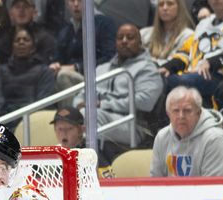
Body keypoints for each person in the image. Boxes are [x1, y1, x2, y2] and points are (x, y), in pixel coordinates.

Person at [74, 23, 164, 157]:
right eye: (120, 37)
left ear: (140, 42)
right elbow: (81, 94)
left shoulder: (148, 69)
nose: (124, 41)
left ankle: (92, 165)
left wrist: (104, 104)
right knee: (69, 118)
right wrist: (77, 104)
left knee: (91, 115)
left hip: (133, 124)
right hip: (98, 115)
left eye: (130, 37)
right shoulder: (101, 69)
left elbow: (146, 101)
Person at [160, 0, 223, 99]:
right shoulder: (203, 24)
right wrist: (170, 66)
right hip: (193, 73)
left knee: (171, 82)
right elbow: (186, 51)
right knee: (159, 77)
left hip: (221, 76)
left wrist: (211, 63)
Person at [150, 86, 223, 177]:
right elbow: (155, 183)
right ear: (168, 114)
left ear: (199, 112)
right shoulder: (162, 137)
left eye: (187, 110)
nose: (181, 116)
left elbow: (213, 187)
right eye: (176, 111)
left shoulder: (215, 139)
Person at [50, 0, 117, 97]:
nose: (76, 4)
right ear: (67, 4)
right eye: (72, 0)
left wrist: (77, 67)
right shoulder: (66, 29)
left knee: (64, 76)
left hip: (95, 78)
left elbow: (110, 57)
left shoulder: (104, 24)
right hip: (67, 74)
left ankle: (68, 112)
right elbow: (58, 57)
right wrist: (55, 65)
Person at [0, 28, 56, 117]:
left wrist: (19, 110)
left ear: (33, 47)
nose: (21, 42)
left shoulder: (44, 71)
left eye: (26, 40)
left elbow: (44, 101)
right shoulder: (2, 70)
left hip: (30, 115)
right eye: (17, 40)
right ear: (12, 46)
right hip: (4, 112)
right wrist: (5, 109)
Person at [0, 0, 55, 79]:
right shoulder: (3, 40)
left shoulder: (45, 39)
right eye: (17, 7)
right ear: (11, 13)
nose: (21, 11)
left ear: (35, 12)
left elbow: (46, 68)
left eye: (25, 7)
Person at [141, 0, 194, 68]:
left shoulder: (188, 36)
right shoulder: (144, 34)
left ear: (179, 8)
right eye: (161, 4)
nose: (165, 8)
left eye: (170, 4)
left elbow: (178, 62)